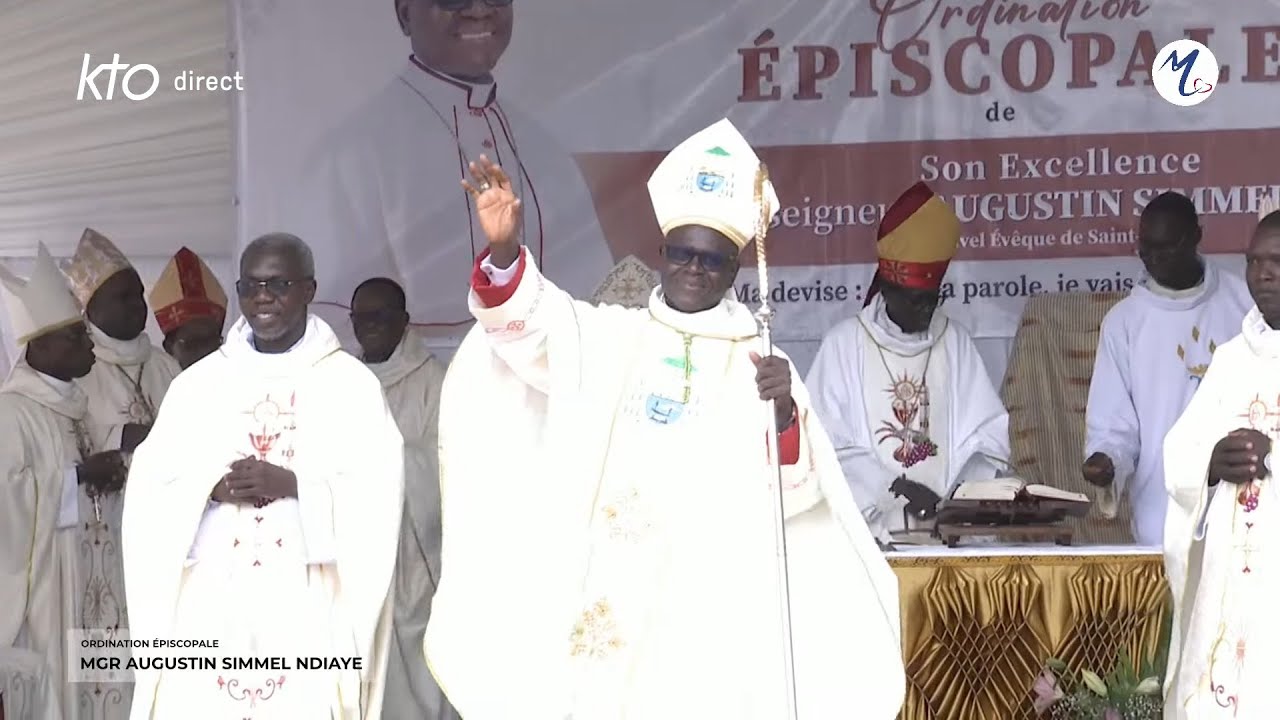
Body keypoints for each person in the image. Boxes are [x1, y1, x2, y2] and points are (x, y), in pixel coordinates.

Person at [425, 119, 904, 719]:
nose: (695, 269)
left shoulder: (762, 360)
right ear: (663, 254)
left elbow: (798, 497)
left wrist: (784, 415)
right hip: (610, 578)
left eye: (712, 259)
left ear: (734, 269)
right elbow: (530, 324)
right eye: (683, 253)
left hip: (702, 592)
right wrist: (503, 249)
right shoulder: (609, 335)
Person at [121, 234, 403, 719]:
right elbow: (151, 481)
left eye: (279, 284)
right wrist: (206, 485)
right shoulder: (199, 385)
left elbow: (379, 491)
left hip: (306, 600)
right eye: (250, 286)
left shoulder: (350, 388)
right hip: (212, 602)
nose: (263, 298)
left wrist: (294, 484)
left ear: (310, 289)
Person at [291, 0, 612, 343]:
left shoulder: (540, 146)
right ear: (405, 14)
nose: (479, 9)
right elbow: (331, 327)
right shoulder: (352, 155)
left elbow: (592, 295)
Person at [805, 182, 1010, 543]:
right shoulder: (844, 343)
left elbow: (988, 434)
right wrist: (893, 489)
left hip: (947, 537)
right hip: (869, 539)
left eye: (931, 299)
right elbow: (823, 441)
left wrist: (959, 498)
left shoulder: (954, 341)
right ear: (886, 287)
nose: (925, 310)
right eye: (915, 300)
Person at [1081, 192, 1251, 546]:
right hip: (1163, 509)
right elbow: (1113, 423)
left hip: (1243, 505)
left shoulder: (1244, 304)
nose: (1154, 258)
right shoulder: (1124, 323)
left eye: (1166, 247)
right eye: (1146, 248)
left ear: (1196, 236)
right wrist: (1106, 460)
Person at [0, 244, 126, 720]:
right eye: (76, 338)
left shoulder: (79, 406)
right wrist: (76, 478)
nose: (92, 346)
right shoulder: (11, 412)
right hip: (48, 593)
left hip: (99, 577)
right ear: (39, 345)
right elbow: (5, 506)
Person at [1162, 210, 1280, 718]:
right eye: (1254, 262)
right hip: (1232, 576)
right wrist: (1211, 461)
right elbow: (1179, 451)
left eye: (1277, 262)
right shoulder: (1233, 358)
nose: (1262, 274)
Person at [62, 228, 179, 718]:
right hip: (101, 531)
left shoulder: (166, 365)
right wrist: (122, 439)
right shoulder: (74, 365)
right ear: (89, 308)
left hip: (166, 531)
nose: (138, 306)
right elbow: (62, 442)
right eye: (122, 297)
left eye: (138, 294)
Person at [349, 278, 455, 720]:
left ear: (404, 321)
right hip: (353, 541)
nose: (370, 325)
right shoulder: (343, 380)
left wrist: (384, 460)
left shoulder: (435, 379)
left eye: (381, 316)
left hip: (412, 551)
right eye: (362, 317)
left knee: (416, 652)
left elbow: (446, 461)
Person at [149, 247, 228, 370]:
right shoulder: (159, 384)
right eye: (193, 343)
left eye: (210, 341)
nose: (204, 353)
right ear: (169, 347)